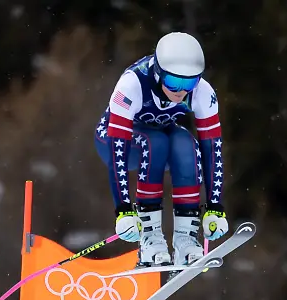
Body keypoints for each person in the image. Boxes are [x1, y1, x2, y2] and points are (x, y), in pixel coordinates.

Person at [93, 32, 229, 267]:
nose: (180, 91)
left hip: (160, 140)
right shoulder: (132, 84)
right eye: (173, 82)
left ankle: (186, 239)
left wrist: (215, 207)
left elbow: (212, 149)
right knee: (155, 142)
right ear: (158, 72)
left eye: (189, 83)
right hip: (115, 142)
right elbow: (118, 150)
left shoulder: (203, 92)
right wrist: (124, 211)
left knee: (186, 143)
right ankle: (150, 238)